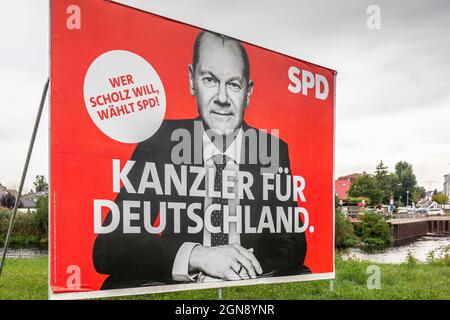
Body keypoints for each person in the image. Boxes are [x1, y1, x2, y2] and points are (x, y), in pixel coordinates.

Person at [93, 30, 308, 290]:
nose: (221, 98)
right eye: (209, 79)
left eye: (233, 84)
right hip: (182, 279)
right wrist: (199, 257)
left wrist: (239, 268)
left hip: (250, 275)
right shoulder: (159, 142)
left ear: (248, 93)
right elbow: (108, 248)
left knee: (304, 274)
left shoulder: (272, 149)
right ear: (192, 80)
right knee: (114, 284)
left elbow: (292, 240)